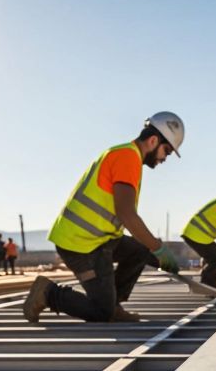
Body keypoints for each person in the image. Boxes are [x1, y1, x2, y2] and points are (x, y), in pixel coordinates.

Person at [23, 112, 185, 324]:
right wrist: (158, 248)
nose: (164, 158)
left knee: (141, 251)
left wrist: (154, 251)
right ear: (153, 140)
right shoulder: (127, 158)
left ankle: (114, 304)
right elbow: (126, 214)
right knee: (101, 312)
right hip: (81, 244)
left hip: (100, 240)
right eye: (167, 151)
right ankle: (48, 293)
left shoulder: (128, 156)